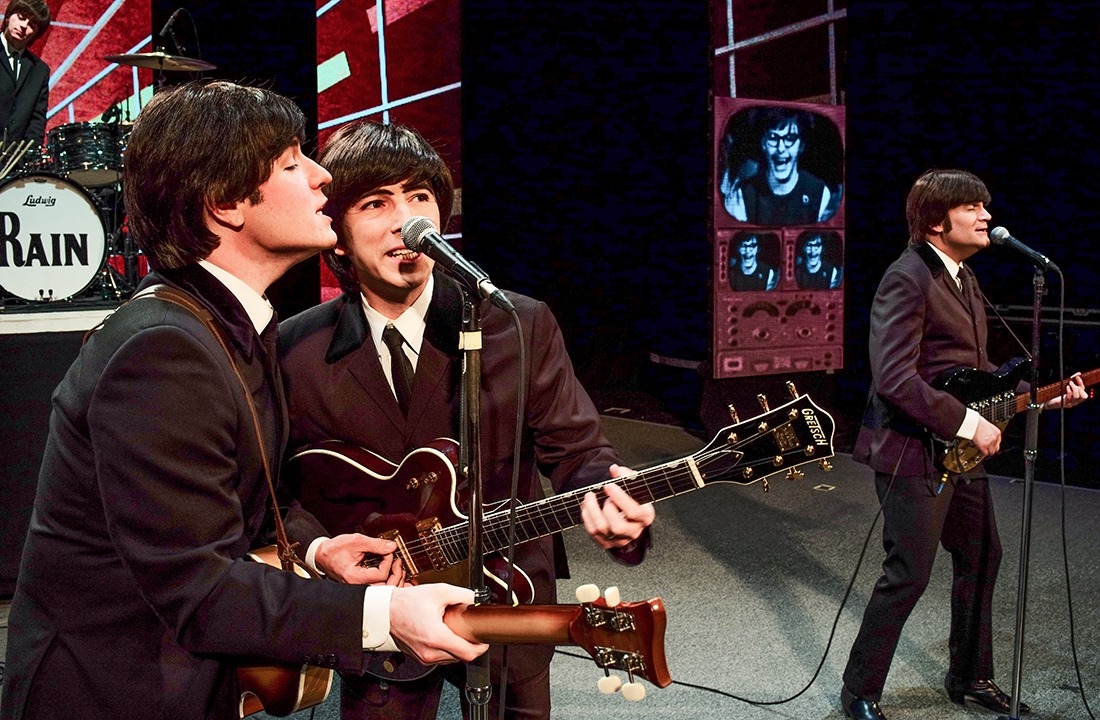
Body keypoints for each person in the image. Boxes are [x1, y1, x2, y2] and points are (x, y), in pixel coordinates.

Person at [1, 81, 486, 720]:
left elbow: (230, 496)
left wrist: (315, 550)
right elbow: (197, 587)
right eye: (292, 163)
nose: (321, 178)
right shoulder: (163, 349)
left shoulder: (224, 322)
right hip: (108, 689)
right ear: (227, 202)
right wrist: (383, 615)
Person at [278, 119, 656, 720]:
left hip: (511, 592)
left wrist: (610, 500)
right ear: (339, 237)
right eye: (376, 203)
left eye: (419, 197)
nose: (406, 221)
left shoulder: (517, 323)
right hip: (383, 607)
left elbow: (579, 450)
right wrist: (319, 551)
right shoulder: (294, 348)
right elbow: (274, 492)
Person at [840, 168, 1087, 720]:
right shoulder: (906, 277)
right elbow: (895, 378)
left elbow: (975, 376)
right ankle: (858, 691)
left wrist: (1044, 398)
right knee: (909, 573)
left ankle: (971, 678)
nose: (986, 216)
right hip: (911, 448)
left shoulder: (963, 278)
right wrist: (969, 424)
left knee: (981, 556)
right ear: (935, 220)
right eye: (973, 207)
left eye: (985, 207)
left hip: (957, 449)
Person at [720, 106, 835, 226]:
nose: (780, 148)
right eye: (773, 138)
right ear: (763, 143)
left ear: (801, 145)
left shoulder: (820, 193)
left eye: (789, 139)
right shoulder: (742, 195)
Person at [0, 0, 50, 146]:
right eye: (21, 18)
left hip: (14, 163)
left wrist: (31, 157)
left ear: (36, 34)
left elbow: (37, 121)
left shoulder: (40, 71)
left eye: (32, 25)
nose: (23, 26)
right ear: (8, 16)